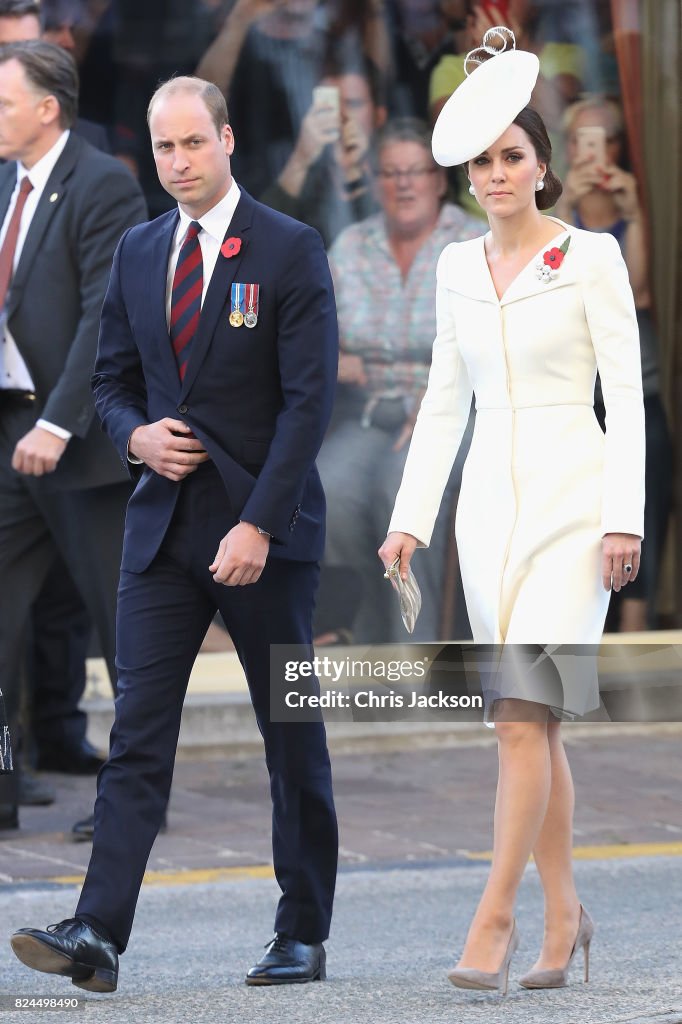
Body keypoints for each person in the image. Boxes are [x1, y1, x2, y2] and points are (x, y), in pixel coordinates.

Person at [11, 74, 339, 990]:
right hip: (159, 533)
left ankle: (302, 930)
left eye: (194, 143)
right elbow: (112, 383)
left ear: (228, 140)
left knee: (292, 734)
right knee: (138, 735)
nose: (179, 162)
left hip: (264, 534)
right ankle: (99, 932)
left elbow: (309, 407)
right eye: (164, 147)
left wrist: (259, 525)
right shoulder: (138, 250)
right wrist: (134, 435)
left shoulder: (290, 247)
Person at [379, 27, 644, 993]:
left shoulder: (592, 257)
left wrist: (627, 520)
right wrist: (410, 518)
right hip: (485, 514)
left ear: (542, 167)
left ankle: (493, 917)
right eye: (483, 161)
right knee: (531, 727)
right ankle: (567, 918)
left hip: (579, 507)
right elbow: (444, 405)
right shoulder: (455, 268)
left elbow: (629, 398)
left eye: (513, 157)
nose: (496, 174)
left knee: (521, 710)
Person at [0, 41, 146, 832]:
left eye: (4, 103)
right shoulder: (3, 183)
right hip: (9, 438)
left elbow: (104, 314)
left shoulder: (104, 185)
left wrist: (59, 421)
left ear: (47, 110)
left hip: (81, 449)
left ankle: (134, 800)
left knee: (127, 638)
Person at [317, 116, 481, 642]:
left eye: (416, 172)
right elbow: (305, 332)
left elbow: (495, 342)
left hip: (451, 410)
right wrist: (332, 359)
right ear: (376, 180)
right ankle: (364, 644)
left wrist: (438, 396)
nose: (403, 183)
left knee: (402, 491)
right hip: (367, 410)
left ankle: (418, 656)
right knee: (329, 488)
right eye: (390, 173)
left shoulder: (473, 243)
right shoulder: (351, 244)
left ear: (439, 180)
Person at [556, 95, 672, 631]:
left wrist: (632, 216)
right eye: (582, 139)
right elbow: (549, 290)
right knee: (578, 530)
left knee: (642, 515)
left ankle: (636, 647)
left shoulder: (634, 209)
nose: (592, 151)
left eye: (604, 138)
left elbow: (642, 294)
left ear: (620, 147)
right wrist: (561, 211)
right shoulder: (556, 218)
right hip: (575, 399)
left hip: (634, 391)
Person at [261, 58, 386, 249]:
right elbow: (260, 239)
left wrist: (357, 169)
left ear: (379, 115)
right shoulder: (298, 172)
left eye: (353, 104)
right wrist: (301, 158)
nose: (341, 116)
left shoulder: (398, 164)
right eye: (329, 106)